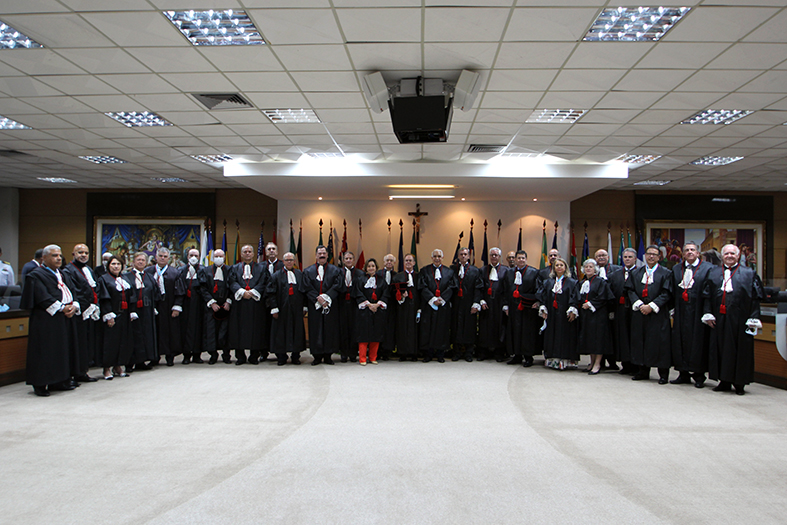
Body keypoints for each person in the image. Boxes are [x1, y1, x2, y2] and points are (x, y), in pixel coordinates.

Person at [702, 244, 763, 395]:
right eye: (726, 253)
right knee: (721, 348)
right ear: (722, 256)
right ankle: (724, 381)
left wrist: (753, 318)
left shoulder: (749, 273)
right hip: (719, 317)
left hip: (740, 319)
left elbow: (755, 299)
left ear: (738, 255)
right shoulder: (714, 272)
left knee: (740, 350)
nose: (729, 256)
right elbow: (707, 297)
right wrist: (708, 314)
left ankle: (740, 383)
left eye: (732, 253)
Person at [21, 244, 79, 396]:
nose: (58, 258)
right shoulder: (36, 275)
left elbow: (72, 290)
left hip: (63, 318)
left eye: (60, 255)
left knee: (61, 350)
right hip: (45, 319)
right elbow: (42, 296)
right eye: (54, 255)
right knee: (45, 351)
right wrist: (62, 308)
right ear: (44, 258)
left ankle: (59, 381)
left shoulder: (62, 274)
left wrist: (73, 306)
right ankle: (40, 384)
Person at [625, 245, 673, 384]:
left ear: (659, 257)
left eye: (654, 254)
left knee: (659, 343)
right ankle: (642, 371)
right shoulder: (636, 273)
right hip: (640, 313)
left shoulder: (666, 273)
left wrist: (651, 306)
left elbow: (667, 293)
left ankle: (663, 374)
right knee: (640, 341)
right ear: (645, 256)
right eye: (649, 254)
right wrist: (640, 304)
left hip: (658, 314)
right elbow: (630, 290)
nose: (651, 256)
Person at [671, 242, 712, 387]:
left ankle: (699, 376)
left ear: (698, 253)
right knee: (680, 341)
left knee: (697, 343)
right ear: (683, 253)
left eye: (692, 250)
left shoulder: (708, 269)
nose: (689, 252)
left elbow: (709, 292)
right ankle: (683, 373)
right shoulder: (676, 269)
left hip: (698, 311)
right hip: (681, 310)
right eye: (686, 250)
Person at [61, 244, 100, 382]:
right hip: (79, 312)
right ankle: (76, 372)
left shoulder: (88, 269)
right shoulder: (68, 270)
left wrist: (95, 305)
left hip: (90, 311)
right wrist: (86, 306)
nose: (83, 255)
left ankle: (83, 371)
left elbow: (95, 288)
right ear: (73, 254)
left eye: (86, 252)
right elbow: (73, 292)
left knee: (86, 343)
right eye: (80, 252)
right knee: (78, 344)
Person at [98, 255, 137, 380]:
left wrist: (132, 312)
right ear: (108, 266)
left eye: (118, 264)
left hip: (125, 314)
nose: (116, 266)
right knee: (110, 342)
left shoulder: (125, 278)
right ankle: (107, 368)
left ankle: (118, 366)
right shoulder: (104, 279)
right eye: (113, 264)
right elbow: (104, 299)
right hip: (112, 314)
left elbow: (132, 297)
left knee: (123, 340)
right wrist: (108, 315)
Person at [301, 245, 342, 365]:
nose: (322, 255)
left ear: (327, 255)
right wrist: (318, 298)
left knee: (330, 330)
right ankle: (317, 356)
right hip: (315, 305)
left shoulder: (336, 270)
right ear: (316, 255)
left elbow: (338, 285)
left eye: (324, 253)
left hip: (330, 305)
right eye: (319, 253)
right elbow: (307, 287)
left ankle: (328, 355)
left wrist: (326, 297)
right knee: (315, 330)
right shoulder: (308, 271)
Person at [228, 244, 268, 365]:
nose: (247, 253)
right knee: (238, 329)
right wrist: (242, 292)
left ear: (253, 254)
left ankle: (254, 356)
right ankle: (240, 357)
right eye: (245, 251)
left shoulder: (261, 268)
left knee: (256, 329)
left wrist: (252, 292)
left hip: (255, 304)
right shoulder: (234, 268)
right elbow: (231, 281)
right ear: (241, 254)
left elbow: (264, 282)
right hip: (239, 304)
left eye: (250, 251)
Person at [537, 258, 579, 370]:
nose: (559, 267)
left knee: (565, 336)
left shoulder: (572, 282)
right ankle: (552, 360)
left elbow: (575, 297)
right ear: (554, 268)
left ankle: (565, 361)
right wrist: (543, 308)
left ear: (565, 267)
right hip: (552, 314)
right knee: (551, 335)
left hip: (565, 314)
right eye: (557, 265)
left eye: (561, 265)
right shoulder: (548, 282)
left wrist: (572, 309)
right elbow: (543, 296)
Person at [145, 247, 182, 366]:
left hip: (169, 305)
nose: (162, 258)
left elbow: (180, 291)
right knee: (154, 331)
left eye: (165, 256)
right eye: (160, 256)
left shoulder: (175, 272)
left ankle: (169, 356)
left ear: (169, 258)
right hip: (153, 305)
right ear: (156, 257)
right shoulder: (148, 271)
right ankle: (154, 357)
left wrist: (177, 306)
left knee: (169, 331)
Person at [503, 250, 540, 367]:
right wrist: (505, 305)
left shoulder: (533, 272)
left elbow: (538, 288)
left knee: (526, 332)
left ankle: (528, 356)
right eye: (518, 258)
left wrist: (537, 301)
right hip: (513, 306)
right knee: (515, 331)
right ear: (515, 259)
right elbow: (504, 289)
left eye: (523, 258)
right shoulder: (509, 272)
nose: (521, 260)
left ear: (526, 259)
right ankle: (517, 355)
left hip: (527, 306)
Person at [267, 252, 306, 365]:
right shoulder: (275, 275)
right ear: (283, 262)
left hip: (297, 309)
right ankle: (281, 357)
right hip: (281, 309)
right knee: (280, 332)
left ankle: (295, 356)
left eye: (291, 260)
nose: (289, 262)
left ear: (294, 261)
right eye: (287, 260)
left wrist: (304, 306)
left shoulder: (299, 274)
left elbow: (304, 291)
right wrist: (274, 308)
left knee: (296, 331)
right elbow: (271, 293)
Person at [577, 258, 614, 375]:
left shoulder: (601, 282)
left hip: (598, 315)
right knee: (590, 339)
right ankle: (591, 362)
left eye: (591, 267)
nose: (588, 269)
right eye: (586, 267)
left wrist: (591, 304)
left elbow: (604, 297)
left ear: (595, 269)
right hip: (586, 316)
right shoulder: (582, 283)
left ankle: (598, 363)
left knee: (598, 339)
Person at [418, 249, 455, 363]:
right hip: (429, 305)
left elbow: (452, 287)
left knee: (441, 329)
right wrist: (433, 299)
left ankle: (440, 354)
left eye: (439, 256)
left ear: (442, 258)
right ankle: (428, 354)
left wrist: (442, 299)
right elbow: (422, 286)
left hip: (443, 305)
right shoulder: (424, 270)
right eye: (435, 256)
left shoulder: (449, 272)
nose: (437, 258)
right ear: (431, 258)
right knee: (428, 329)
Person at [126, 252, 159, 371]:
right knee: (134, 336)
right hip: (133, 311)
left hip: (147, 310)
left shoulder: (149, 276)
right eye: (138, 260)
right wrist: (131, 309)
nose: (140, 262)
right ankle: (130, 363)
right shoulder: (126, 276)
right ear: (133, 262)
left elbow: (155, 292)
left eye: (143, 260)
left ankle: (141, 361)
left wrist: (153, 306)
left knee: (145, 336)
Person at [354, 258, 390, 365]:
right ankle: (362, 358)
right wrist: (368, 304)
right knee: (364, 335)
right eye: (369, 266)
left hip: (377, 310)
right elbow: (358, 293)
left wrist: (378, 304)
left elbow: (385, 293)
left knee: (376, 334)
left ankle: (373, 357)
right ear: (366, 268)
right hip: (364, 310)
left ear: (376, 268)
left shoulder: (381, 280)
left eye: (373, 266)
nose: (371, 268)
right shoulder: (360, 279)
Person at [608, 248, 638, 375]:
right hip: (620, 310)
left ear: (635, 259)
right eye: (625, 257)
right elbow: (610, 293)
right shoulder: (614, 274)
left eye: (630, 257)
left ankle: (636, 365)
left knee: (634, 337)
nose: (627, 259)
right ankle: (625, 364)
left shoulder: (641, 273)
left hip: (635, 310)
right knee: (622, 337)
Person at [451, 247, 483, 362]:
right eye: (461, 254)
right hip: (456, 303)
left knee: (469, 327)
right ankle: (457, 352)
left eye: (465, 254)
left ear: (469, 256)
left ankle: (469, 352)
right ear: (458, 256)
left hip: (469, 303)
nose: (463, 256)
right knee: (457, 326)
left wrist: (476, 303)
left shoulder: (475, 270)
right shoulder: (452, 269)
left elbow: (478, 288)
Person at [202, 249, 232, 365]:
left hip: (226, 306)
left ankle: (226, 355)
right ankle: (213, 355)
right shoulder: (206, 270)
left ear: (224, 257)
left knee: (225, 331)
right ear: (212, 257)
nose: (218, 258)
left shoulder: (230, 270)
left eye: (221, 256)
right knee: (211, 332)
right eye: (216, 256)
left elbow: (233, 285)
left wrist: (229, 301)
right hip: (211, 306)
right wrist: (211, 302)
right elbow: (202, 287)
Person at [478, 247, 508, 362]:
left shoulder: (505, 270)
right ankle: (483, 351)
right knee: (484, 327)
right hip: (486, 303)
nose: (494, 257)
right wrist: (481, 300)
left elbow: (507, 289)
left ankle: (499, 352)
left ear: (499, 257)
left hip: (499, 303)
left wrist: (505, 304)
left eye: (496, 255)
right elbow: (479, 287)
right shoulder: (482, 270)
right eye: (492, 255)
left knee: (498, 326)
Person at [594, 248, 621, 370]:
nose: (601, 257)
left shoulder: (617, 270)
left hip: (613, 307)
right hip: (597, 309)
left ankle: (612, 361)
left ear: (608, 257)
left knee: (613, 334)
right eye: (598, 256)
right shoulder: (592, 270)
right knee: (599, 335)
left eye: (603, 255)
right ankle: (600, 362)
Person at [177, 248, 205, 364]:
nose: (194, 257)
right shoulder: (181, 270)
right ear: (187, 257)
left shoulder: (203, 269)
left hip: (199, 304)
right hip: (186, 303)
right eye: (191, 255)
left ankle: (197, 355)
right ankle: (186, 355)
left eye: (196, 255)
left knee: (199, 329)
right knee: (186, 329)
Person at [391, 253, 419, 361]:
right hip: (402, 306)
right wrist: (400, 296)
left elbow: (421, 292)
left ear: (414, 263)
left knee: (414, 330)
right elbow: (393, 292)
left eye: (410, 260)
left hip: (415, 306)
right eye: (406, 260)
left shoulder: (419, 276)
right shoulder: (398, 277)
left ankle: (414, 353)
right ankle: (402, 353)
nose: (408, 262)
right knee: (402, 328)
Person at [337, 251, 363, 363]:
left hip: (354, 303)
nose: (348, 260)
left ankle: (353, 353)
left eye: (350, 258)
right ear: (343, 260)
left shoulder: (360, 273)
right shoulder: (338, 272)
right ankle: (343, 353)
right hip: (342, 303)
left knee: (354, 329)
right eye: (346, 258)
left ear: (353, 260)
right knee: (343, 329)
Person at [260, 242, 284, 362]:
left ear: (277, 251)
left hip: (278, 301)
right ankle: (263, 352)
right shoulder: (260, 266)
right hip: (263, 302)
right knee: (263, 327)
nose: (271, 251)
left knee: (277, 328)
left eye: (273, 249)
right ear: (265, 252)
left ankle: (279, 353)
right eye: (269, 249)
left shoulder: (283, 265)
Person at [377, 253, 397, 361]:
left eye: (391, 260)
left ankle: (387, 351)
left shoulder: (398, 275)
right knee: (380, 327)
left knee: (390, 328)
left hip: (392, 306)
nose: (389, 262)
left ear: (394, 263)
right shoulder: (378, 274)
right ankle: (378, 351)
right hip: (380, 304)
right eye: (387, 260)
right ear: (384, 262)